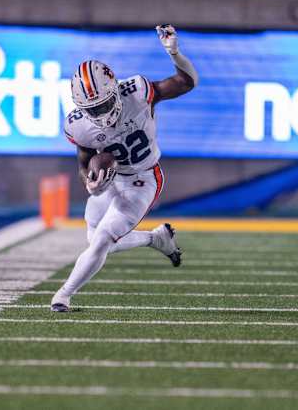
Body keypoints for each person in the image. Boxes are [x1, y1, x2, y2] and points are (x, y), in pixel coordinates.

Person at [50, 24, 198, 312]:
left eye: (104, 105)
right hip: (112, 179)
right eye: (93, 110)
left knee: (103, 240)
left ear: (115, 90)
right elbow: (84, 161)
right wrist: (90, 183)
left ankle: (63, 295)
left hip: (143, 178)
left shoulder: (139, 92)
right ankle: (156, 239)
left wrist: (175, 53)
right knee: (97, 239)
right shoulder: (77, 124)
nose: (101, 114)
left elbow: (186, 82)